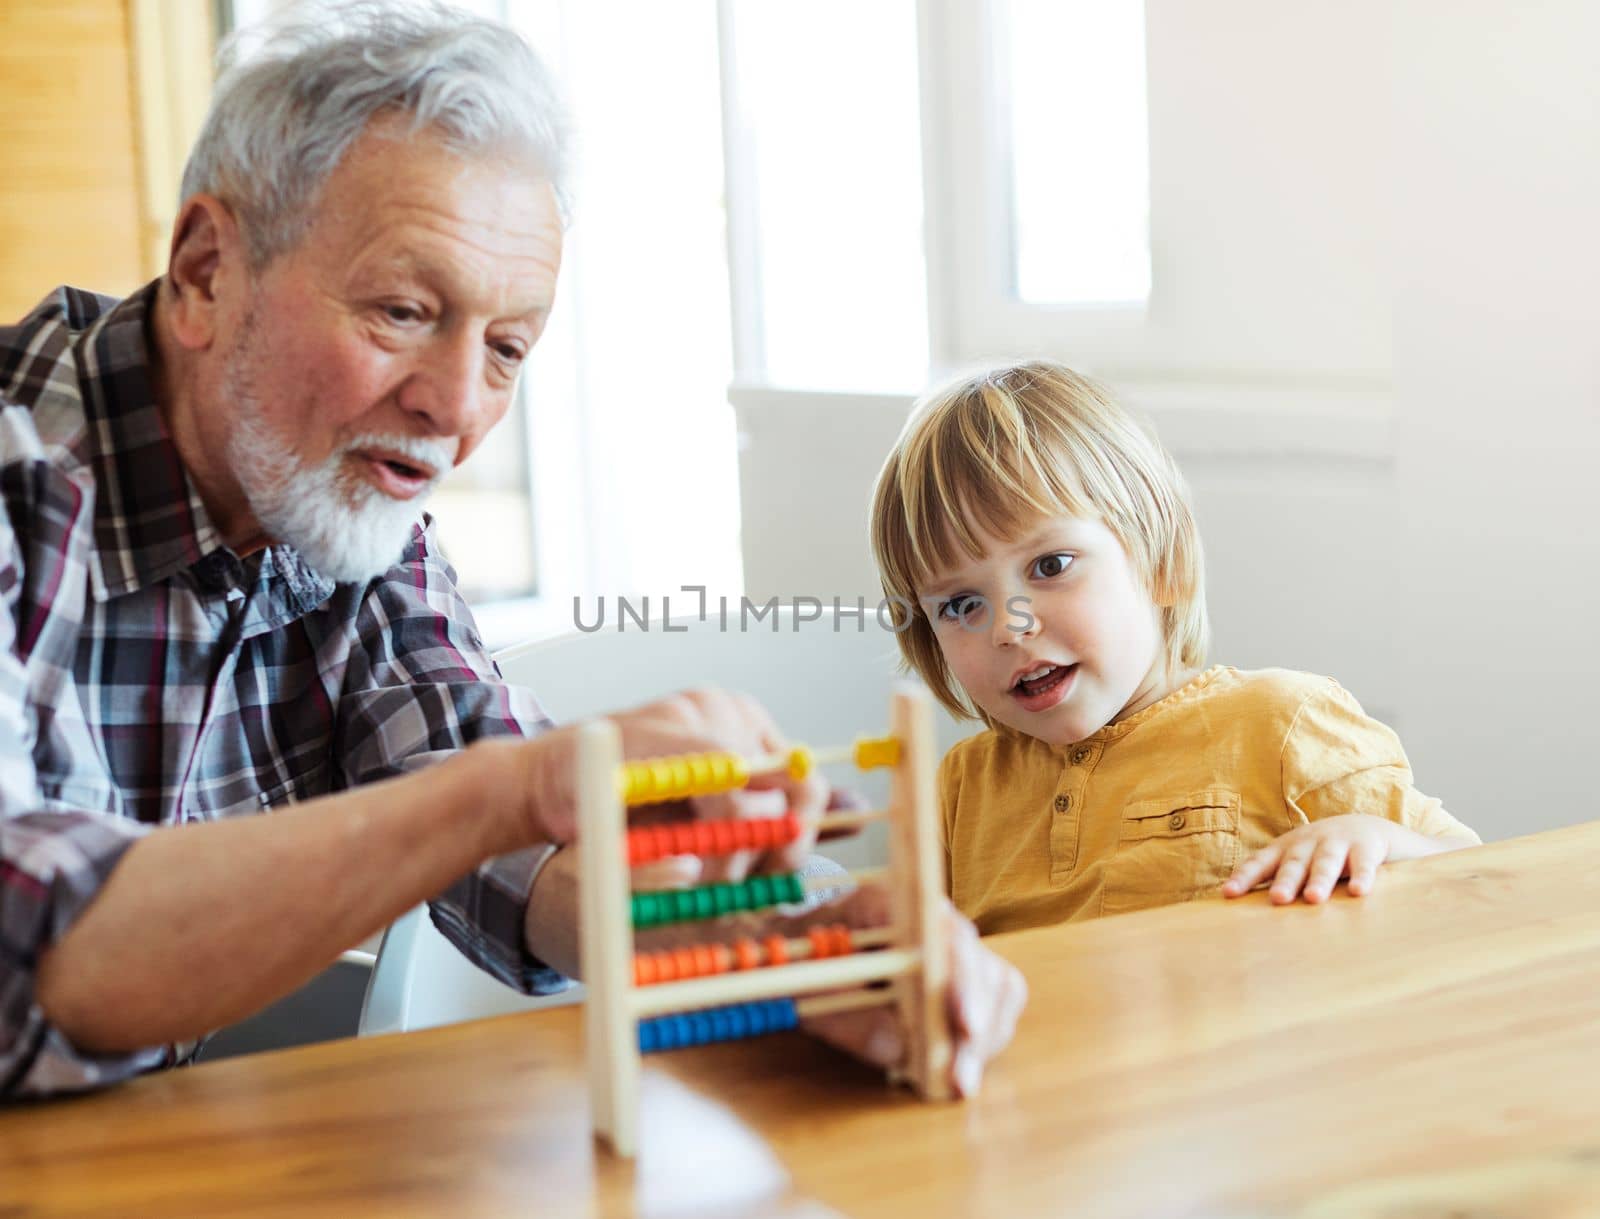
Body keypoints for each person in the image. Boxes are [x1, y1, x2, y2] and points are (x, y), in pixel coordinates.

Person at [0, 2, 1024, 1100]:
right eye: (400, 310)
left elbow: (524, 846)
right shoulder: (30, 483)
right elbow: (26, 947)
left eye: (506, 348)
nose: (454, 408)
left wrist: (811, 939)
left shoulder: (335, 498)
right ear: (207, 271)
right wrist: (515, 786)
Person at [868, 361, 1481, 935]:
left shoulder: (1282, 725)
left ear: (1163, 565)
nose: (1009, 626)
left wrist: (1376, 837)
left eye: (1050, 565)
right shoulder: (962, 790)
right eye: (960, 605)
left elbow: (1474, 878)